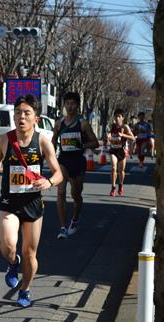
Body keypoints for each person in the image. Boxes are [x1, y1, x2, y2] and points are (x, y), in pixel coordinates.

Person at [0, 94, 63, 308]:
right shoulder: (4, 140)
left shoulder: (43, 141)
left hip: (33, 204)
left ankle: (25, 290)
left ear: (36, 118)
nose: (21, 117)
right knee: (7, 244)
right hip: (9, 201)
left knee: (30, 253)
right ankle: (12, 262)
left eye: (27, 113)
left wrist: (49, 182)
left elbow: (58, 173)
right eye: (18, 113)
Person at [51, 92, 99, 240]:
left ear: (77, 105)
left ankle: (75, 219)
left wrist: (82, 144)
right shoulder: (59, 123)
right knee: (60, 193)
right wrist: (50, 156)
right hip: (63, 160)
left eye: (73, 104)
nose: (70, 106)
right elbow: (52, 142)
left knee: (76, 195)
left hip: (78, 161)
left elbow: (95, 143)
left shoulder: (83, 123)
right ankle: (63, 227)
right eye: (67, 103)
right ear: (64, 105)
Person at [106, 109, 135, 196]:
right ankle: (113, 187)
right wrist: (108, 136)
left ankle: (120, 185)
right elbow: (110, 133)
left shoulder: (125, 127)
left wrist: (123, 135)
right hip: (113, 150)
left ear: (122, 118)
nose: (117, 118)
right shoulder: (112, 126)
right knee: (114, 168)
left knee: (121, 171)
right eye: (116, 116)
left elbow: (133, 138)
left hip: (122, 151)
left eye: (119, 116)